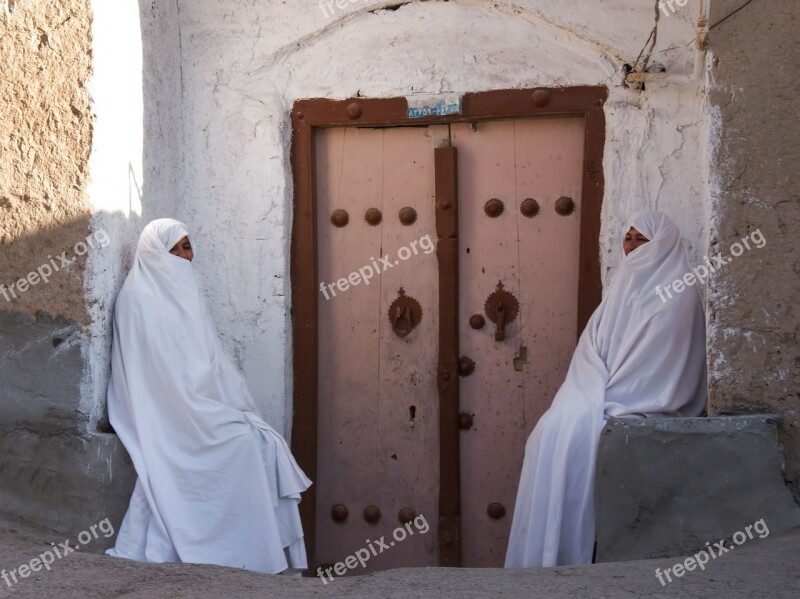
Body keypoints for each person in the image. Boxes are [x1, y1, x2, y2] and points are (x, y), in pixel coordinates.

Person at [105, 218, 312, 574]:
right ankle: (237, 553)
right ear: (158, 252)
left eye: (190, 246)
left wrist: (219, 402)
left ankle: (254, 556)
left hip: (197, 404)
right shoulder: (136, 299)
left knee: (260, 441)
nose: (190, 255)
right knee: (242, 444)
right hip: (167, 414)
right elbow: (152, 375)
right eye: (181, 248)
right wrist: (197, 405)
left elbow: (208, 359)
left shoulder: (184, 291)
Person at [504, 210, 707, 568]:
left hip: (639, 399)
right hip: (599, 391)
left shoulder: (679, 295)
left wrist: (610, 397)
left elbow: (656, 365)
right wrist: (587, 392)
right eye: (627, 239)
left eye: (641, 239)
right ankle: (545, 560)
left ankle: (567, 558)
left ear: (663, 244)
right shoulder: (620, 290)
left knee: (584, 437)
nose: (631, 247)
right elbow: (591, 351)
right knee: (549, 433)